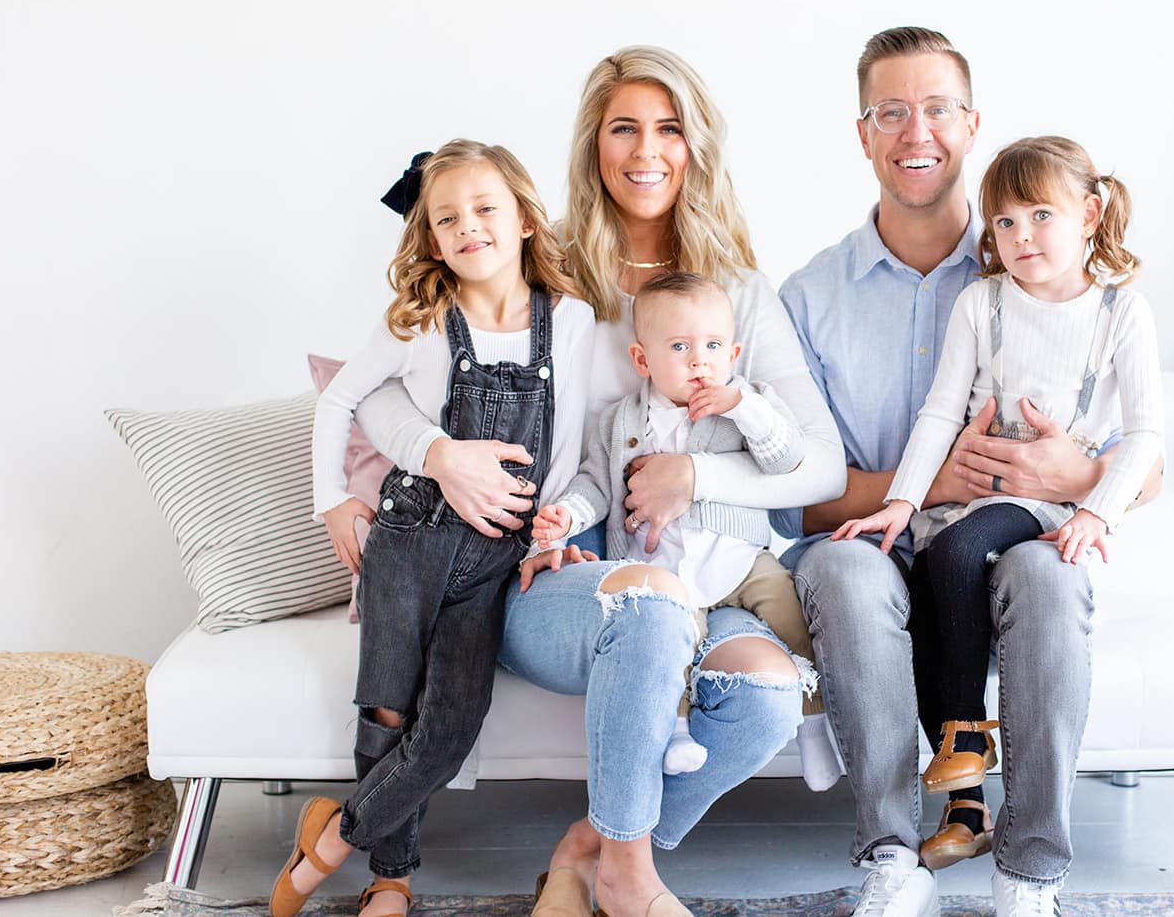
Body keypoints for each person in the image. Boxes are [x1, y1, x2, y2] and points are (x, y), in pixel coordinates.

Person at [355, 45, 846, 917]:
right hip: (560, 577)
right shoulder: (547, 276)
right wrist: (439, 458)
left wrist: (690, 474)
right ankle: (634, 880)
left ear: (696, 147)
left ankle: (589, 851)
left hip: (709, 573)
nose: (646, 150)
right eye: (624, 128)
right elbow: (383, 393)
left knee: (769, 698)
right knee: (648, 606)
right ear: (593, 147)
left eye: (669, 129)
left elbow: (820, 462)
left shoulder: (736, 295)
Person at [776, 29, 1163, 917]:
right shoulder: (809, 296)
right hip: (888, 538)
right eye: (892, 111)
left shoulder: (1055, 274)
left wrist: (1077, 479)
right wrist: (926, 488)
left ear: (972, 122)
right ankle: (889, 856)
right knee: (838, 561)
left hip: (1019, 534)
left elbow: (1148, 461)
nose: (919, 131)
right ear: (864, 133)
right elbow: (800, 499)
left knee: (1051, 573)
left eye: (940, 108)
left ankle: (1030, 870)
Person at [271, 140, 594, 917]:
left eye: (485, 209)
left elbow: (572, 448)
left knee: (448, 726)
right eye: (447, 217)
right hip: (408, 539)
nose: (468, 226)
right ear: (430, 235)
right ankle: (392, 876)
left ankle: (329, 839)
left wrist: (554, 527)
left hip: (495, 557)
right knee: (389, 707)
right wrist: (330, 500)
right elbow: (337, 401)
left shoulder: (573, 320)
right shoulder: (420, 318)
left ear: (522, 218)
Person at [530, 269, 835, 786]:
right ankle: (676, 730)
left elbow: (787, 459)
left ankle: (815, 725)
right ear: (643, 360)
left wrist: (746, 409)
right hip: (663, 567)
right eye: (680, 346)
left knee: (794, 622)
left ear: (733, 354)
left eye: (714, 345)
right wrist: (568, 516)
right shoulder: (620, 423)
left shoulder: (746, 403)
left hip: (741, 560)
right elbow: (595, 486)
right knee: (671, 641)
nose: (700, 361)